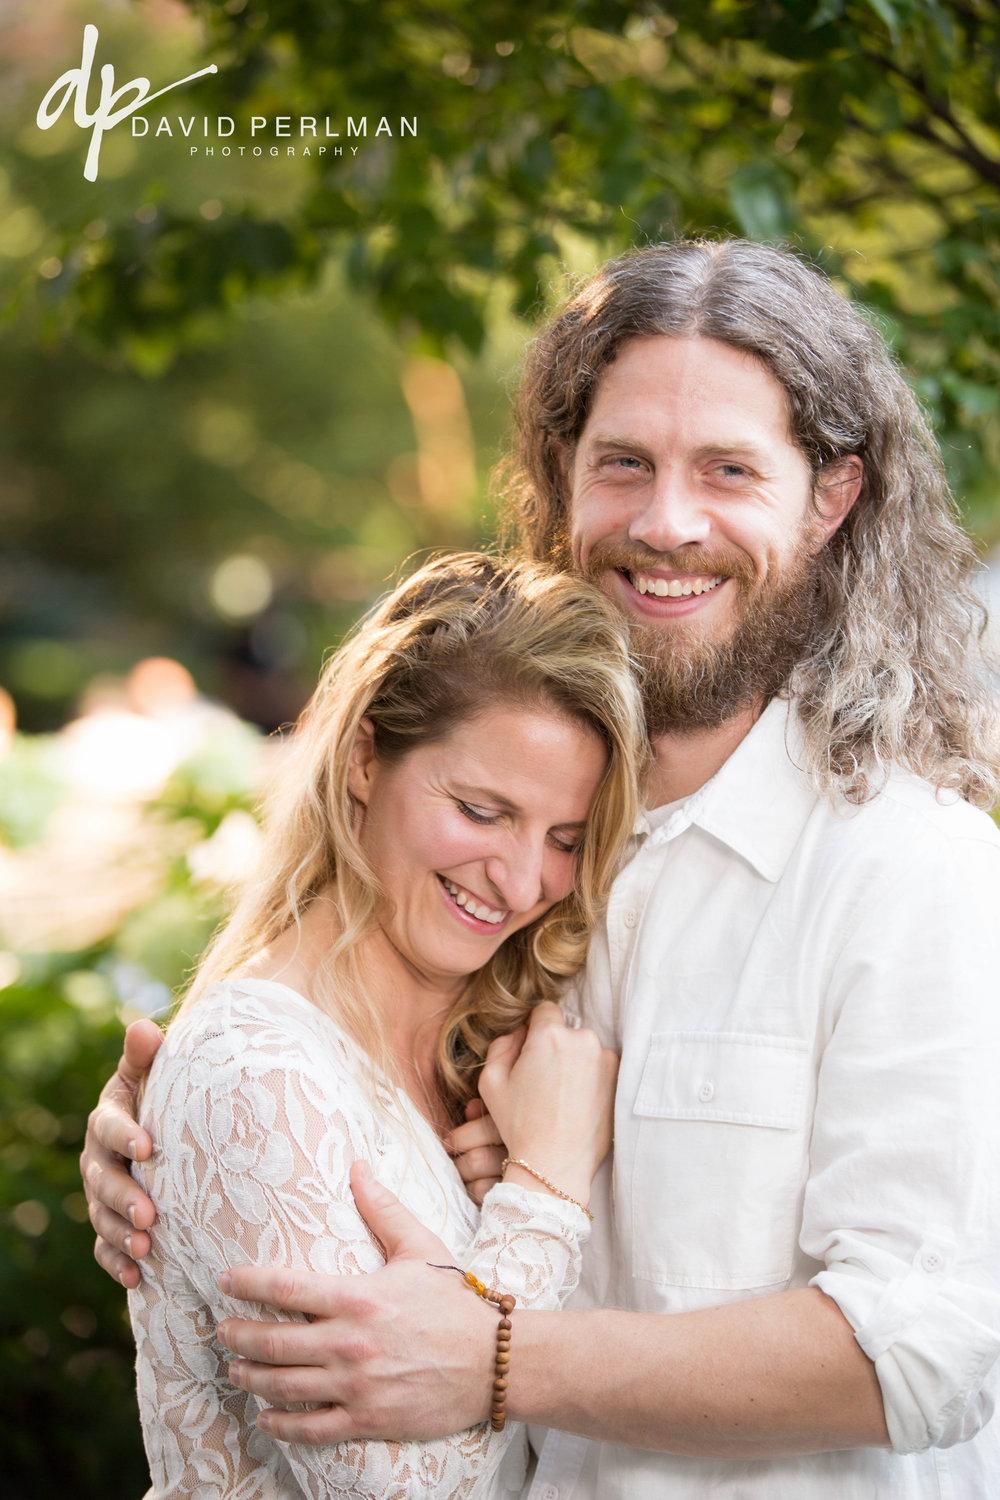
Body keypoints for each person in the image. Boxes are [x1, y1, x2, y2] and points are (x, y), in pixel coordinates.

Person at [83, 240, 1000, 1498]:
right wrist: (178, 1146)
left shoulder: (908, 869)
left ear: (830, 499)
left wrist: (500, 1356)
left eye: (728, 470)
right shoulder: (512, 864)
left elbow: (925, 1349)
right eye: (623, 462)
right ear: (560, 476)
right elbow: (313, 1093)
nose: (665, 522)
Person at [117, 551, 648, 1498]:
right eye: (483, 812)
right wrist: (546, 1192)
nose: (525, 882)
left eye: (565, 840)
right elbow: (399, 1488)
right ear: (364, 759)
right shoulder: (258, 1076)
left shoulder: (491, 1060)